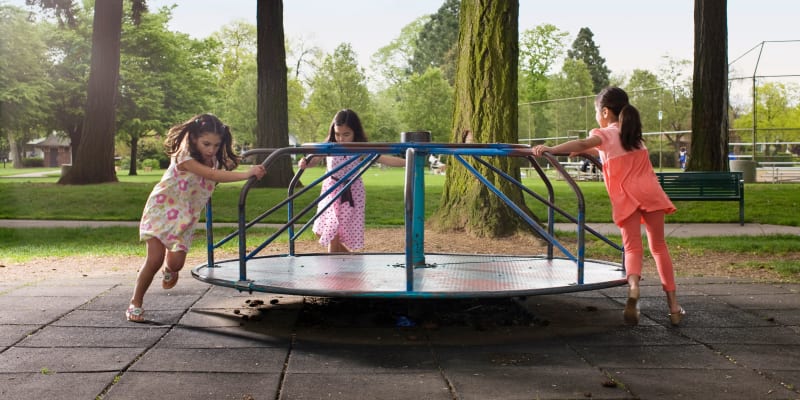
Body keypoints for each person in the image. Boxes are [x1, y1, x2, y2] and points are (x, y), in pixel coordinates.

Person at [531, 87, 685, 326]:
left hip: (626, 197)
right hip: (651, 193)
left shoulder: (604, 134)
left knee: (633, 247)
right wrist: (583, 150)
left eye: (596, 111)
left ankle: (634, 288)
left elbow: (588, 141)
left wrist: (552, 149)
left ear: (604, 112)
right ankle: (674, 308)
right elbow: (607, 149)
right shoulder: (633, 134)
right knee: (659, 247)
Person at [127, 114, 267, 322]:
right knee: (154, 259)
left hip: (186, 216)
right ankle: (135, 302)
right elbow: (213, 176)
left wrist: (238, 163)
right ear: (193, 138)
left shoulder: (214, 158)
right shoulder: (185, 157)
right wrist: (247, 173)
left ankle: (169, 268)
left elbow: (226, 166)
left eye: (216, 145)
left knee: (176, 264)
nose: (211, 149)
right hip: (161, 209)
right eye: (206, 144)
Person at [298, 109, 405, 253]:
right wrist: (305, 163)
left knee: (333, 233)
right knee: (321, 231)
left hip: (351, 191)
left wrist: (409, 161)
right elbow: (314, 159)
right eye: (337, 134)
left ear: (355, 132)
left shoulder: (360, 148)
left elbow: (385, 159)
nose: (341, 139)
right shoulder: (330, 146)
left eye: (346, 134)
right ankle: (350, 260)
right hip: (331, 189)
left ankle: (332, 272)